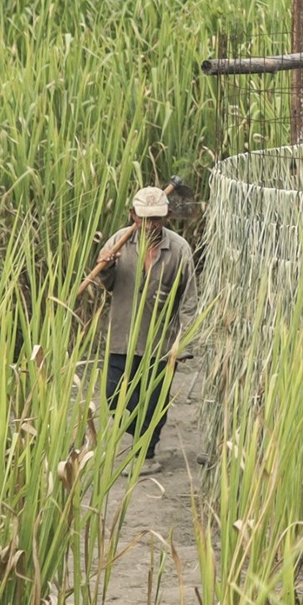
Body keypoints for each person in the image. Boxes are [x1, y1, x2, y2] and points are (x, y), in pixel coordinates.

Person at [77, 180, 196, 467]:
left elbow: (189, 299)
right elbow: (109, 285)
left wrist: (185, 342)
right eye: (144, 219)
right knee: (114, 396)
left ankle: (147, 453)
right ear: (133, 215)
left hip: (159, 343)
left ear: (167, 217)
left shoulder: (179, 250)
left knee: (154, 401)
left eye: (156, 219)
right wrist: (107, 267)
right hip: (122, 336)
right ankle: (138, 433)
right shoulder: (118, 242)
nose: (150, 225)